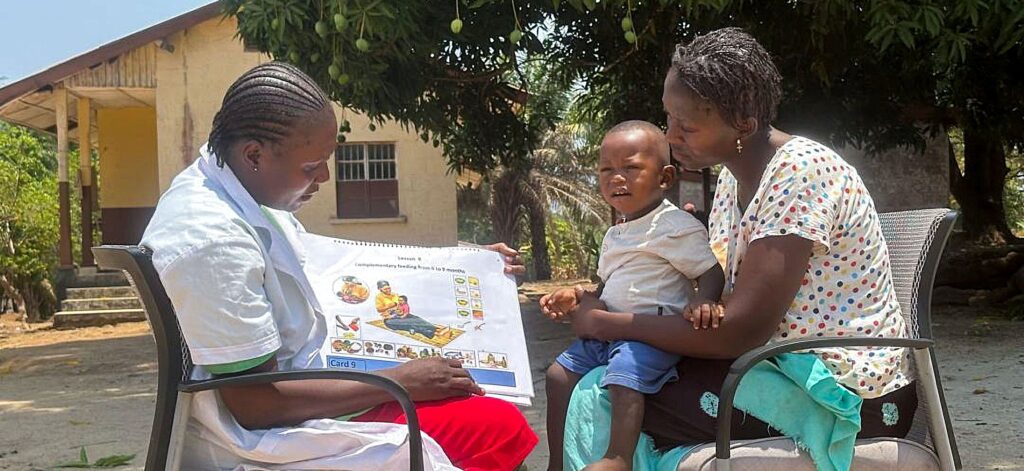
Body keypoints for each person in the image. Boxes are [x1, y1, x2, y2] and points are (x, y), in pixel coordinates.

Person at [141, 61, 536, 470]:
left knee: (480, 405)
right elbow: (257, 404)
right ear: (254, 155)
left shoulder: (234, 189)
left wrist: (464, 266)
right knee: (497, 426)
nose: (325, 176)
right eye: (311, 167)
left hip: (309, 381)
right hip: (274, 426)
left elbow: (339, 264)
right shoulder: (214, 241)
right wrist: (399, 381)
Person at [560, 28, 918, 470]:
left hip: (843, 391)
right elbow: (720, 300)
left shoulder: (800, 173)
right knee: (612, 381)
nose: (671, 136)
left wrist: (610, 324)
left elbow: (741, 330)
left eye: (687, 126)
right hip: (772, 365)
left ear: (744, 125)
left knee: (613, 396)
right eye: (669, 119)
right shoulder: (733, 179)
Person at [539, 121, 725, 471]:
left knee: (624, 376)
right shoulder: (615, 234)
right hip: (610, 333)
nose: (616, 178)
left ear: (665, 178)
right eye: (606, 170)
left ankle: (618, 458)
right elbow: (607, 286)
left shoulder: (675, 226)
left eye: (630, 168)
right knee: (557, 375)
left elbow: (710, 271)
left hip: (650, 335)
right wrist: (575, 296)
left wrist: (705, 300)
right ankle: (557, 462)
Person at [375, 281, 446, 339]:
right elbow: (379, 309)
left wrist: (398, 309)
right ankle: (435, 333)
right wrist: (390, 306)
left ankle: (434, 328)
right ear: (380, 289)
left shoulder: (395, 294)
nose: (388, 290)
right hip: (389, 320)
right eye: (385, 289)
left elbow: (402, 305)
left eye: (389, 288)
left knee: (416, 318)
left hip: (401, 314)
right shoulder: (379, 297)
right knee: (410, 324)